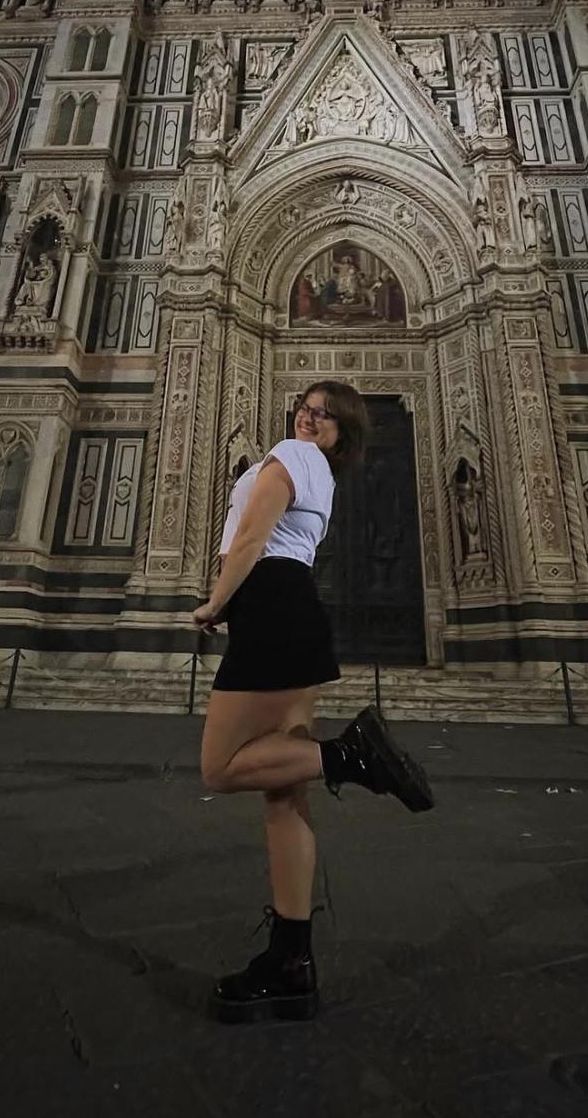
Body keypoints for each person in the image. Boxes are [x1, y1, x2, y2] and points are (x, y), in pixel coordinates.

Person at [194, 381, 434, 1024]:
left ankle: (350, 755)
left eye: (326, 413)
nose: (310, 414)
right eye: (306, 404)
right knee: (283, 790)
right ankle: (291, 961)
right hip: (295, 609)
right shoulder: (322, 474)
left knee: (221, 768)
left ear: (344, 431)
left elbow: (249, 539)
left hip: (269, 607)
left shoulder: (293, 455)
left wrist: (215, 603)